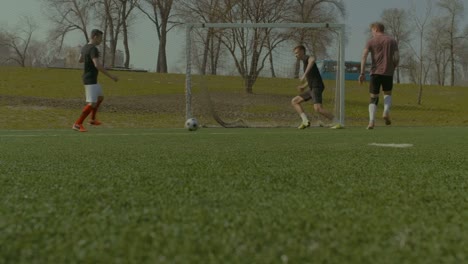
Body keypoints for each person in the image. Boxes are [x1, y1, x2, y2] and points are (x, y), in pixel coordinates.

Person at [72, 29, 118, 132]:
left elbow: (80, 60)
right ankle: (77, 123)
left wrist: (89, 57)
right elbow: (97, 65)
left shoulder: (85, 47)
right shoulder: (93, 49)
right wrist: (111, 76)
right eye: (100, 38)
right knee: (92, 103)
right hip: (90, 79)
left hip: (91, 78)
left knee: (100, 97)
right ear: (95, 37)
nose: (101, 41)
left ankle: (92, 120)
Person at [359, 22, 399, 130]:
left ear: (375, 29)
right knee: (387, 93)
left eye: (372, 30)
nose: (372, 32)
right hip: (388, 72)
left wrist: (362, 73)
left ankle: (371, 121)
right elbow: (396, 57)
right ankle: (386, 111)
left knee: (373, 97)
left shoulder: (371, 41)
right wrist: (394, 66)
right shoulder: (392, 41)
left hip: (375, 73)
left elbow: (364, 56)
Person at [291, 45, 334, 129]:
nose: (296, 55)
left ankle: (337, 121)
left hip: (317, 86)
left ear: (302, 51)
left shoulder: (307, 58)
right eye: (295, 53)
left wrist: (304, 75)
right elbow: (312, 77)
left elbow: (312, 60)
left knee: (318, 108)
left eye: (297, 53)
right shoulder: (304, 61)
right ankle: (305, 121)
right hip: (312, 88)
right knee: (295, 101)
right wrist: (304, 86)